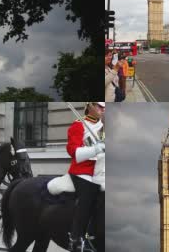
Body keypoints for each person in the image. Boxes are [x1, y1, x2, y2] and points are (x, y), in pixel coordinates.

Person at [66, 102, 105, 252]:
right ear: (89, 106)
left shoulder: (104, 126)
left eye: (104, 107)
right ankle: (76, 238)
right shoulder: (78, 125)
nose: (103, 109)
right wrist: (95, 149)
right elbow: (74, 152)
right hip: (83, 171)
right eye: (99, 106)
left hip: (100, 170)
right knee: (89, 196)